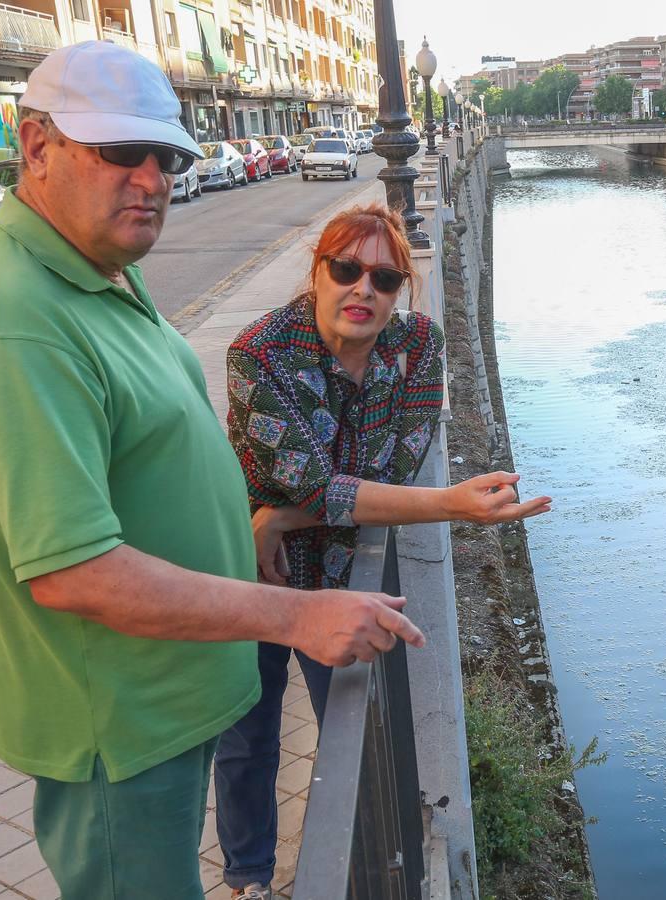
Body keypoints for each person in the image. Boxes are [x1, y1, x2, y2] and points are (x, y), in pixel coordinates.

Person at [0, 41, 424, 898]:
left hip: (164, 697)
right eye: (119, 152)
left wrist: (244, 524)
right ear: (36, 147)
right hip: (118, 723)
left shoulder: (95, 269)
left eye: (167, 156)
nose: (151, 180)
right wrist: (298, 614)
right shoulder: (15, 319)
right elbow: (75, 573)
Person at [213, 203, 552, 899]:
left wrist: (282, 517)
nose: (363, 290)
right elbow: (326, 485)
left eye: (385, 278)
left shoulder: (417, 348)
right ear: (317, 273)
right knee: (247, 727)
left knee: (357, 726)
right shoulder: (259, 356)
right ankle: (248, 878)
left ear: (401, 290)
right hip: (246, 565)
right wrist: (452, 504)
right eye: (346, 270)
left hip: (331, 568)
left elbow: (389, 472)